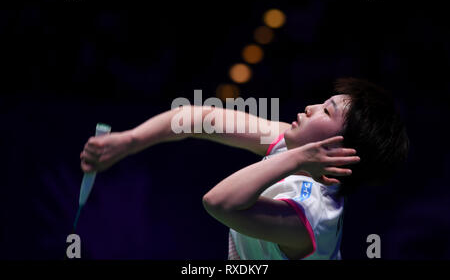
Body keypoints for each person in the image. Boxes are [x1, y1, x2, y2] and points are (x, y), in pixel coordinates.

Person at [79, 77, 409, 260]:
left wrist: (292, 159)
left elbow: (218, 203)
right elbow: (200, 119)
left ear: (336, 150)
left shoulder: (312, 216)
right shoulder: (291, 147)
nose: (309, 108)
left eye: (326, 111)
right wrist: (129, 141)